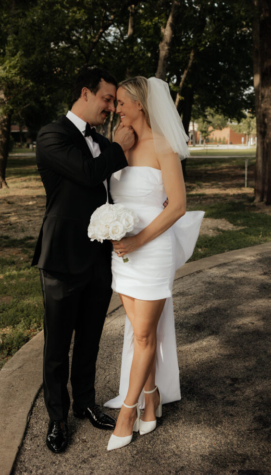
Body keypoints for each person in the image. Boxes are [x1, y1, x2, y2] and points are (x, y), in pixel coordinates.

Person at [32, 67, 135, 454]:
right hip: (61, 257)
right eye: (107, 99)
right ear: (85, 94)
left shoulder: (99, 138)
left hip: (98, 257)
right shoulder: (52, 135)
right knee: (58, 345)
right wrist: (119, 147)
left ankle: (85, 403)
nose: (110, 107)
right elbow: (88, 173)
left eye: (113, 101)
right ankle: (57, 418)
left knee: (91, 337)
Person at [103, 76, 204, 451]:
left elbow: (177, 205)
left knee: (144, 335)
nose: (117, 109)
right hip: (123, 254)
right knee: (139, 330)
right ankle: (152, 396)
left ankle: (127, 413)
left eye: (123, 103)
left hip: (151, 250)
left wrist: (138, 240)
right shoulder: (120, 143)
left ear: (141, 105)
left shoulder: (163, 145)